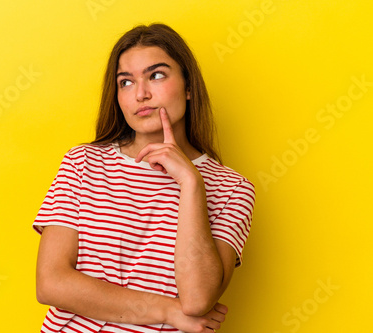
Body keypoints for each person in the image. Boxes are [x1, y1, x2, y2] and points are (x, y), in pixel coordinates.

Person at [33, 23, 255, 333]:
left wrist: (191, 184)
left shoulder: (232, 189)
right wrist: (168, 311)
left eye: (157, 75)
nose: (141, 94)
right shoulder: (84, 162)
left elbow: (197, 300)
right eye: (126, 82)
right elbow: (52, 283)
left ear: (189, 87)